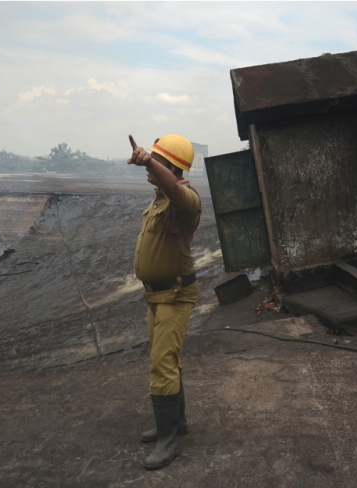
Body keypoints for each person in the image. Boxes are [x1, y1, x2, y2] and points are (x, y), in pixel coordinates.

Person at [127, 134, 201, 470]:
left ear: (171, 167)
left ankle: (168, 440)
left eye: (158, 160)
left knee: (162, 364)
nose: (150, 165)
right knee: (165, 361)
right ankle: (175, 423)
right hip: (156, 296)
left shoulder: (185, 201)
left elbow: (175, 190)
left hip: (175, 295)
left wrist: (148, 161)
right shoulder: (158, 201)